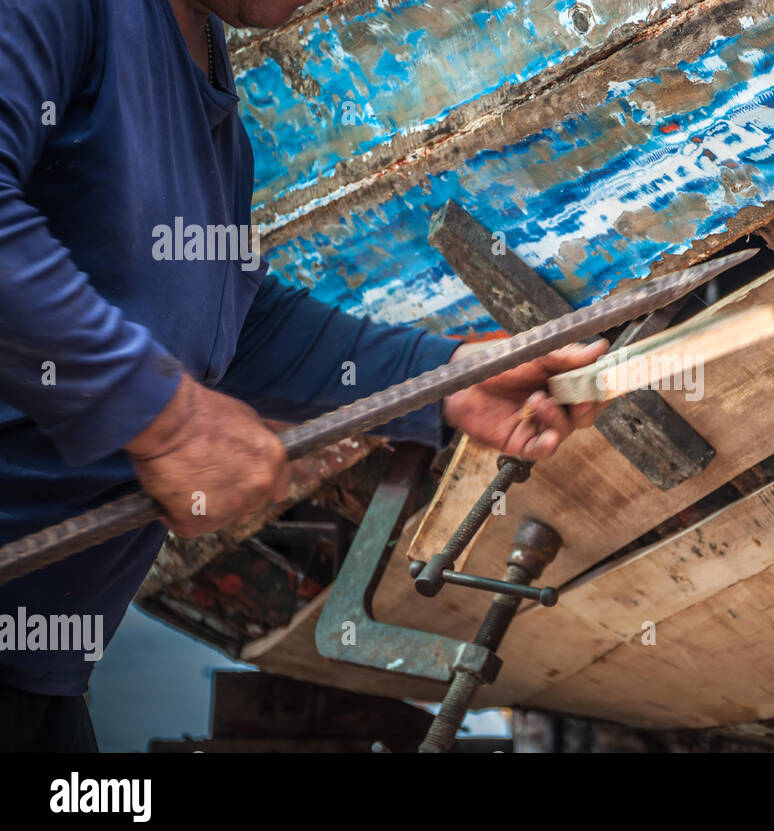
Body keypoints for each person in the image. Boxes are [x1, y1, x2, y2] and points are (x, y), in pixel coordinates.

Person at [0, 0, 605, 751]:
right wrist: (163, 416)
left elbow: (229, 325)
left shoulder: (215, 117)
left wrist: (442, 378)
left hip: (39, 676)